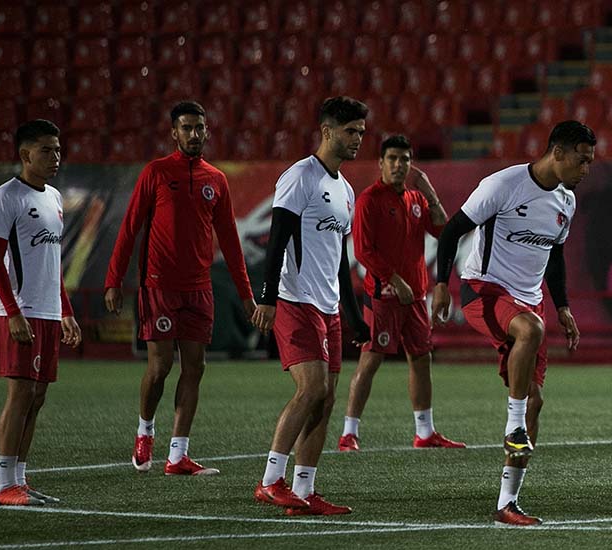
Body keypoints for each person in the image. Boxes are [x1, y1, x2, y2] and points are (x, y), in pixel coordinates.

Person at [432, 120, 593, 526]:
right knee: (530, 333)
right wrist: (440, 285)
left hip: (529, 302)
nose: (586, 168)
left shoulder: (566, 201)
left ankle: (508, 501)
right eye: (582, 159)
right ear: (557, 152)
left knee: (536, 400)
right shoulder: (502, 185)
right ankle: (514, 423)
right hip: (484, 291)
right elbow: (452, 231)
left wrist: (565, 307)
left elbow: (554, 258)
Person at [104, 101, 256, 476]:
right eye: (186, 128)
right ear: (174, 133)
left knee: (196, 367)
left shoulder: (216, 180)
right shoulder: (156, 173)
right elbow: (129, 228)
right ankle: (145, 430)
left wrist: (247, 294)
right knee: (160, 365)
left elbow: (231, 243)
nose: (193, 134)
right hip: (159, 286)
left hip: (199, 288)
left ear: (207, 131)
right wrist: (113, 280)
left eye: (199, 128)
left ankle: (178, 454)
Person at [251, 96, 371, 516]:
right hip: (294, 299)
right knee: (312, 388)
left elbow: (340, 257)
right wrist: (266, 297)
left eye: (360, 132)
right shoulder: (300, 176)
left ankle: (303, 490)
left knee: (326, 399)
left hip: (330, 307)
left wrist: (354, 315)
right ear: (326, 130)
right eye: (350, 131)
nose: (357, 139)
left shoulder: (345, 190)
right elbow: (278, 235)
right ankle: (270, 481)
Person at [337, 135, 465, 452]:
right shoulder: (369, 200)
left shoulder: (416, 200)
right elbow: (363, 251)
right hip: (383, 295)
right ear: (381, 163)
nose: (398, 165)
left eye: (405, 159)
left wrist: (429, 191)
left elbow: (443, 231)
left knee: (421, 359)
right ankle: (349, 432)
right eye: (392, 158)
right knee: (371, 359)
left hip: (416, 297)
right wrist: (395, 279)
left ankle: (425, 432)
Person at [0, 119, 82, 505]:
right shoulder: (5, 197)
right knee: (20, 393)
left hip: (47, 310)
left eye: (58, 149)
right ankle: (3, 483)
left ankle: (19, 480)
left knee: (38, 395)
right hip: (20, 311)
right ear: (25, 154)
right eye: (46, 149)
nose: (55, 156)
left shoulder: (55, 197)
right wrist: (12, 312)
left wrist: (66, 311)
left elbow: (52, 261)